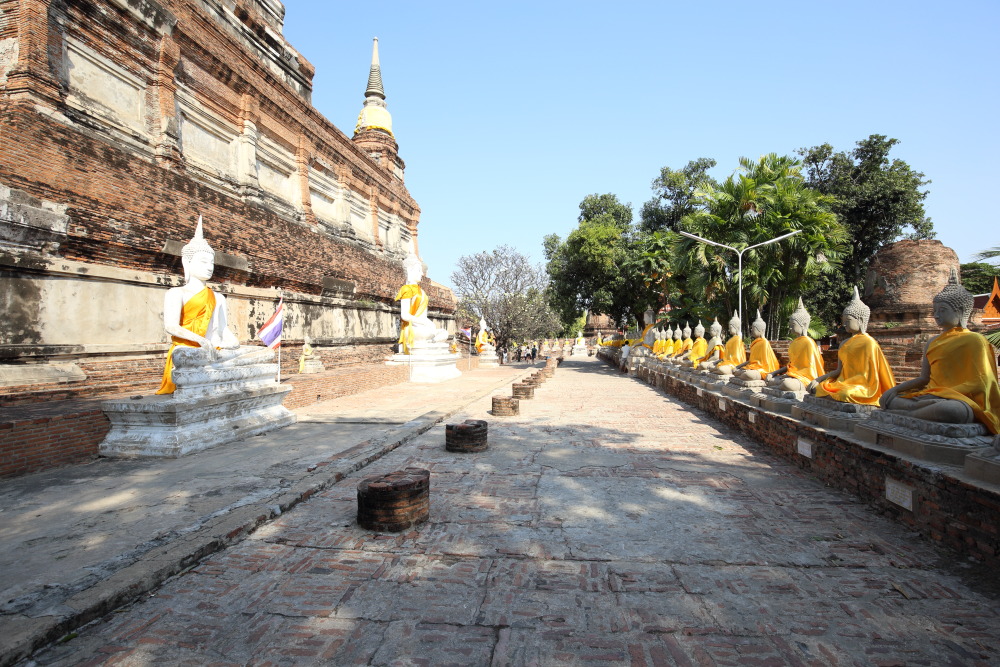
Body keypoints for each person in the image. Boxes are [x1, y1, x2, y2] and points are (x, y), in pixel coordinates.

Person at [880, 271, 1000, 432]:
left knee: (954, 411)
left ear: (961, 310)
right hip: (930, 396)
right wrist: (894, 389)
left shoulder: (975, 340)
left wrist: (942, 394)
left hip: (959, 400)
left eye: (942, 310)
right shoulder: (933, 341)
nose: (936, 315)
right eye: (934, 310)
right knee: (889, 399)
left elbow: (982, 383)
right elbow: (924, 378)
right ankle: (912, 411)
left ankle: (908, 413)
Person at [157, 217, 241, 394]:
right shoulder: (177, 293)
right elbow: (170, 326)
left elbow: (222, 328)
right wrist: (200, 340)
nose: (209, 267)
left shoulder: (217, 297)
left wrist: (232, 343)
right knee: (183, 356)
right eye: (203, 262)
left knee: (260, 354)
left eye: (211, 262)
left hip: (214, 348)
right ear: (187, 263)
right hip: (188, 349)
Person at [810, 287, 895, 404]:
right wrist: (819, 379)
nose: (844, 324)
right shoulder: (844, 343)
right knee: (817, 389)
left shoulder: (869, 343)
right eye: (843, 321)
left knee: (845, 394)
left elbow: (874, 376)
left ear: (860, 320)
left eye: (848, 320)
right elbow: (839, 370)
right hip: (844, 383)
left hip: (862, 386)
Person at [394, 252, 448, 354]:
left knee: (444, 333)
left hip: (423, 327)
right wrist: (425, 322)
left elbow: (423, 316)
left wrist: (427, 323)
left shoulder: (421, 291)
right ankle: (430, 343)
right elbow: (404, 315)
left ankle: (431, 343)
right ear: (410, 271)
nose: (422, 274)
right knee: (425, 333)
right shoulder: (406, 289)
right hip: (412, 328)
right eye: (419, 270)